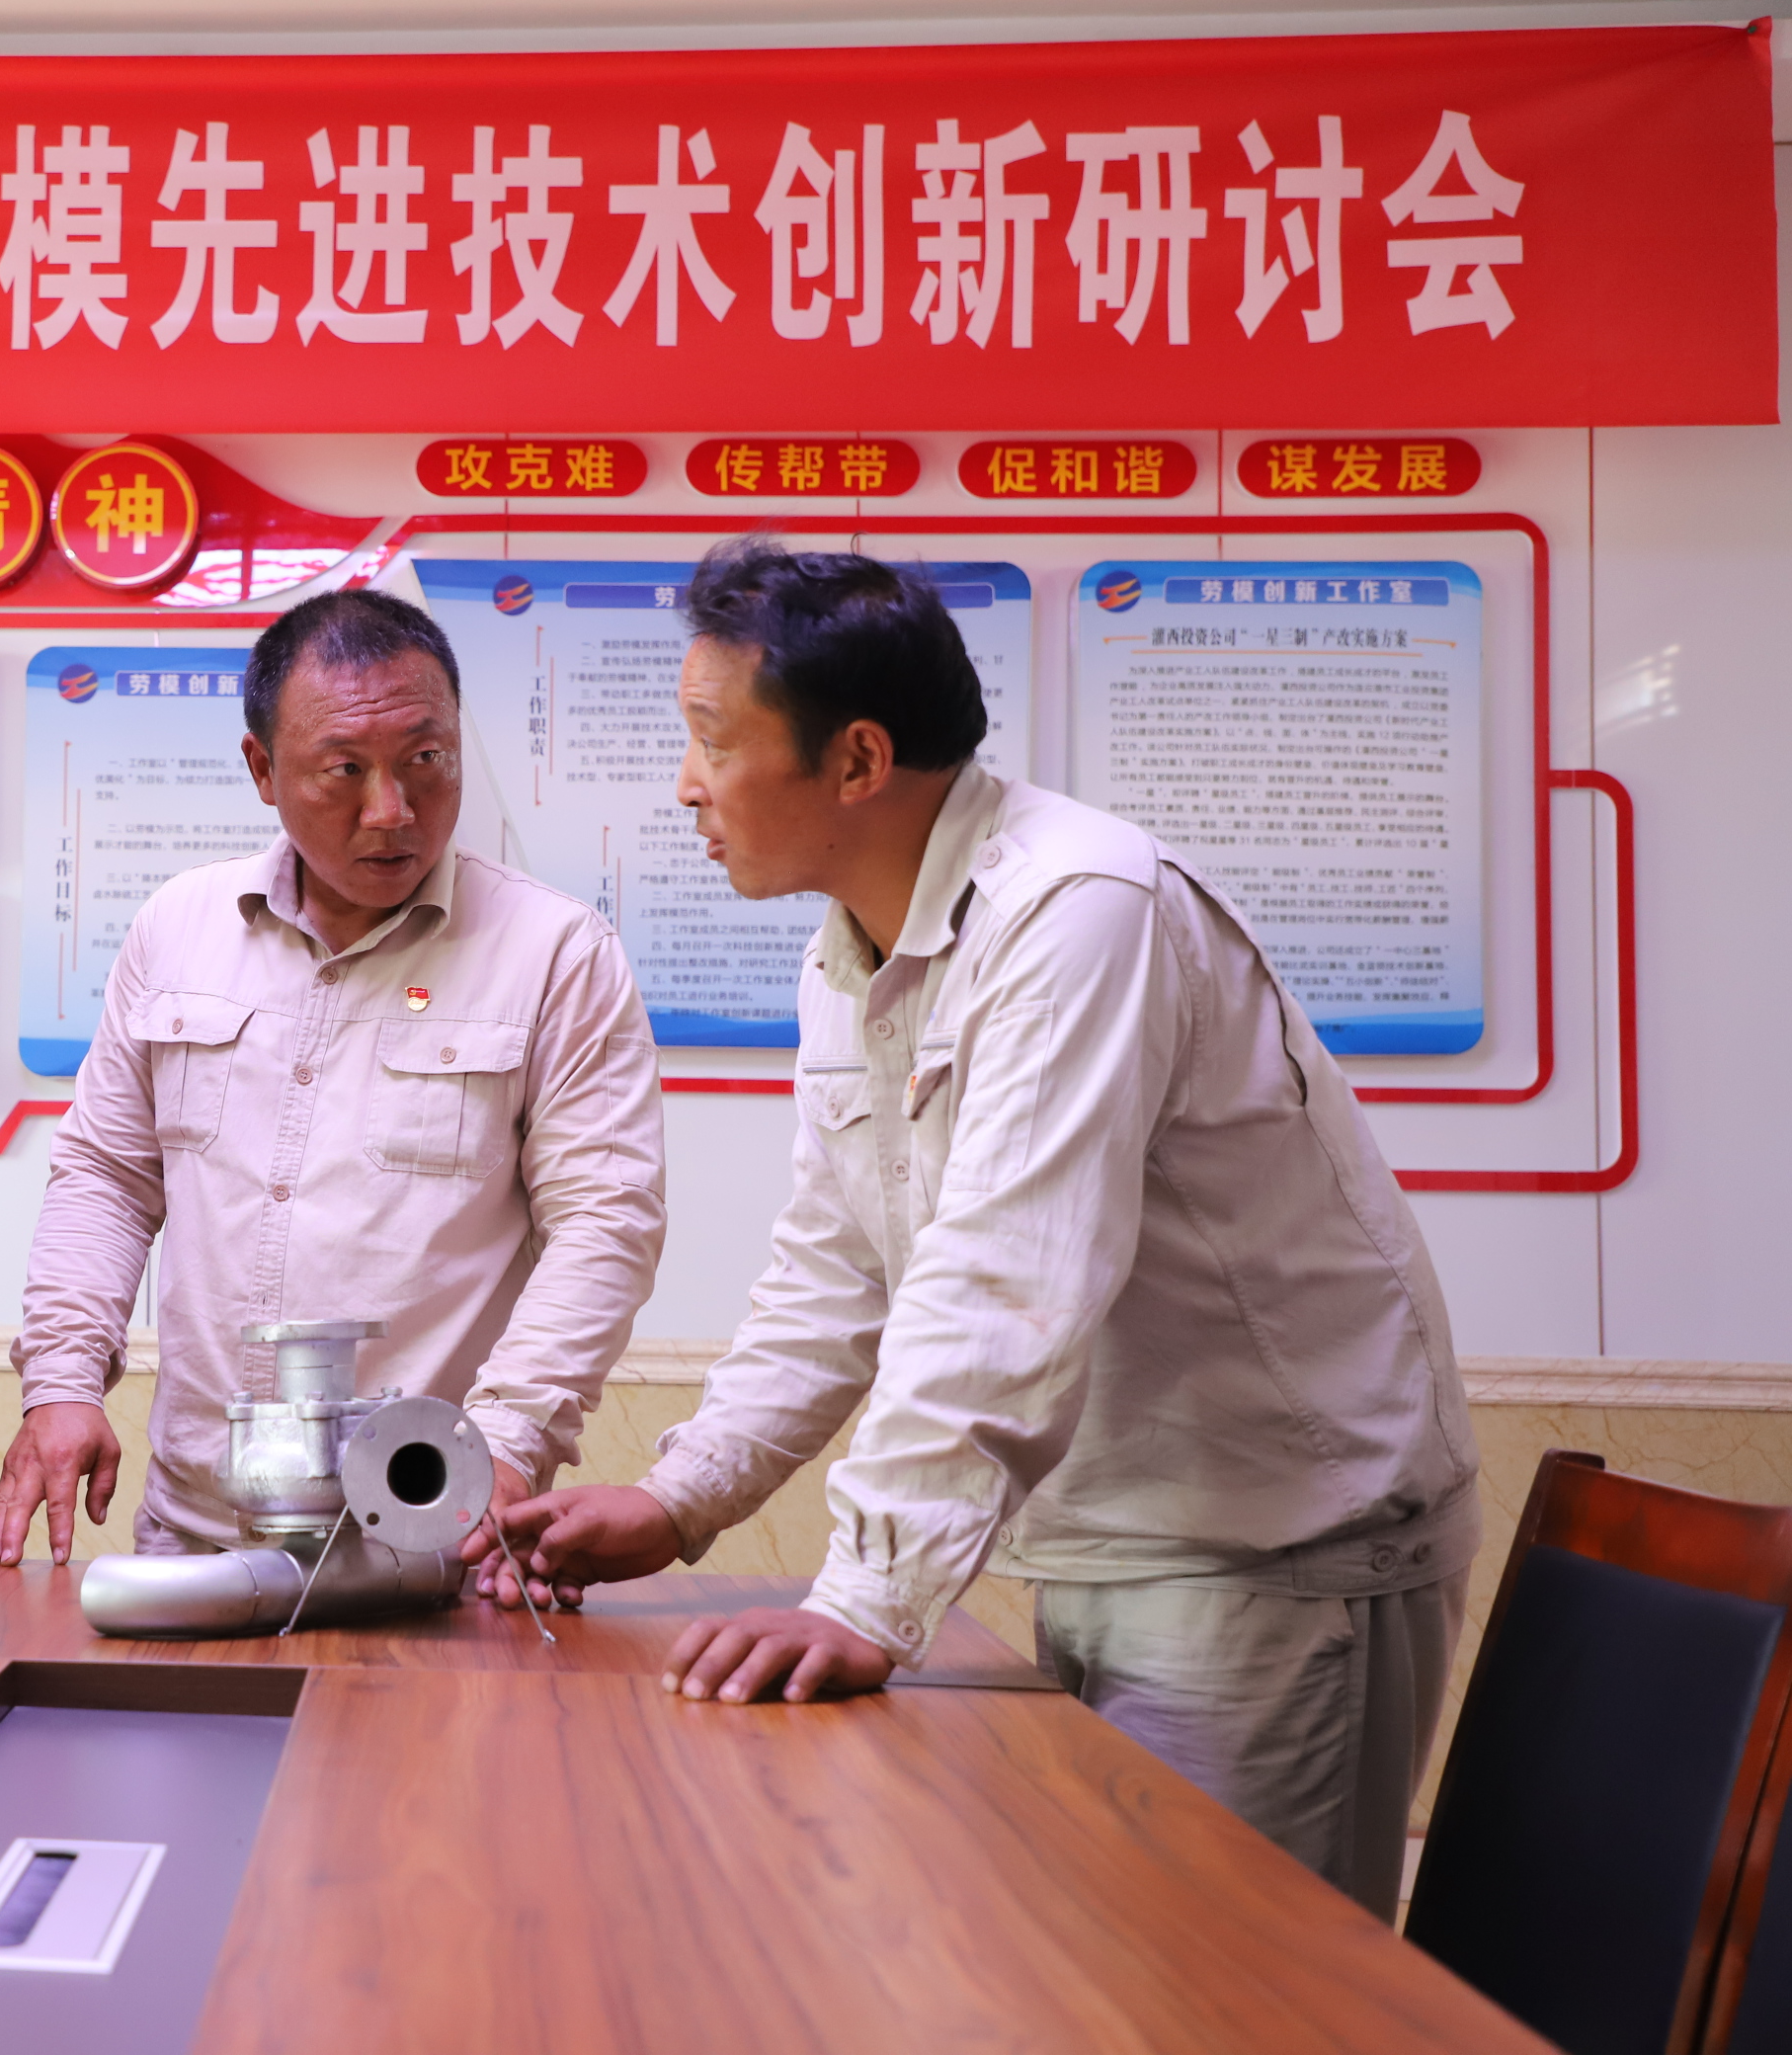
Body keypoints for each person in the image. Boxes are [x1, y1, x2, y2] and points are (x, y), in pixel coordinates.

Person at [476, 538, 1479, 1919]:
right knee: (1103, 1975)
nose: (687, 781)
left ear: (858, 760)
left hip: (1273, 1553)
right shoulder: (853, 949)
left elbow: (1006, 1279)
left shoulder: (1080, 912)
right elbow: (837, 1271)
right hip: (1110, 1540)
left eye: (712, 736)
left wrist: (864, 1600)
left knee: (1222, 1993)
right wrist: (680, 1495)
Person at [0, 589, 667, 1568]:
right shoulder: (179, 928)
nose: (392, 811)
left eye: (426, 760)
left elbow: (605, 1222)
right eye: (345, 769)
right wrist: (60, 1382)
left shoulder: (555, 952)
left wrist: (510, 1444)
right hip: (196, 1536)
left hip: (434, 1538)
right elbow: (107, 1178)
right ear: (263, 769)